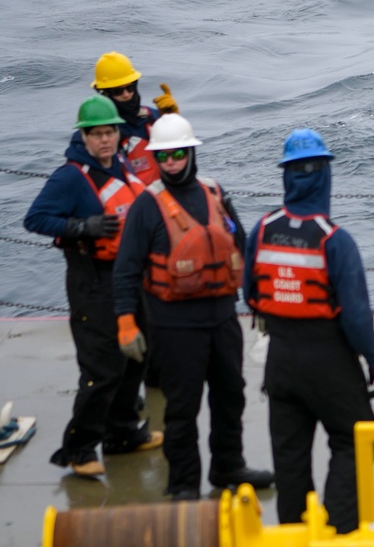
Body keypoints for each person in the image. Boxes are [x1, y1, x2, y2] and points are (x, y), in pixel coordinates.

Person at [112, 113, 273, 501]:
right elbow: (126, 270)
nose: (170, 163)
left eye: (178, 154)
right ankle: (183, 483)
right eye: (163, 156)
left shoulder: (215, 192)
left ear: (191, 153)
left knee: (230, 395)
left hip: (223, 319)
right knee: (182, 409)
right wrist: (125, 322)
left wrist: (259, 300)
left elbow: (244, 247)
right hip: (174, 327)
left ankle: (228, 467)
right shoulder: (147, 206)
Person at [243, 129, 374, 532]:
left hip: (281, 359)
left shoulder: (263, 229)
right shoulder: (334, 241)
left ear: (285, 176)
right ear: (325, 175)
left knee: (290, 457)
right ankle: (339, 531)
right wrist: (373, 362)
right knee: (355, 443)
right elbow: (356, 316)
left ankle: (294, 533)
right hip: (329, 360)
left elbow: (250, 293)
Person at [23, 95, 163, 478]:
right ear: (83, 137)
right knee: (102, 368)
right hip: (93, 282)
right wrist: (81, 227)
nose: (104, 139)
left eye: (110, 132)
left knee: (137, 355)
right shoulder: (70, 177)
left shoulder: (120, 165)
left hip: (131, 278)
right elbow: (35, 219)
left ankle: (121, 435)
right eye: (96, 133)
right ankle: (79, 448)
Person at [92, 51, 180, 186]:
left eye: (130, 87)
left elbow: (181, 155)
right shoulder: (97, 133)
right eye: (118, 91)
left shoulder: (152, 117)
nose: (126, 94)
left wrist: (172, 120)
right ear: (104, 94)